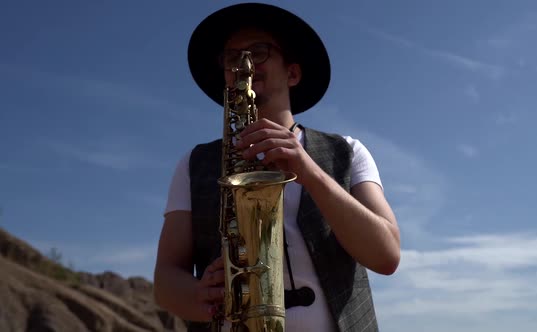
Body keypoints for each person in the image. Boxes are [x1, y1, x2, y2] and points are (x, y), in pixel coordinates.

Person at [154, 3, 401, 331]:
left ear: (293, 73)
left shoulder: (348, 152)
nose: (244, 64)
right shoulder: (193, 163)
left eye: (258, 51)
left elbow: (386, 255)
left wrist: (308, 170)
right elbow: (166, 281)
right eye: (232, 57)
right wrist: (199, 294)